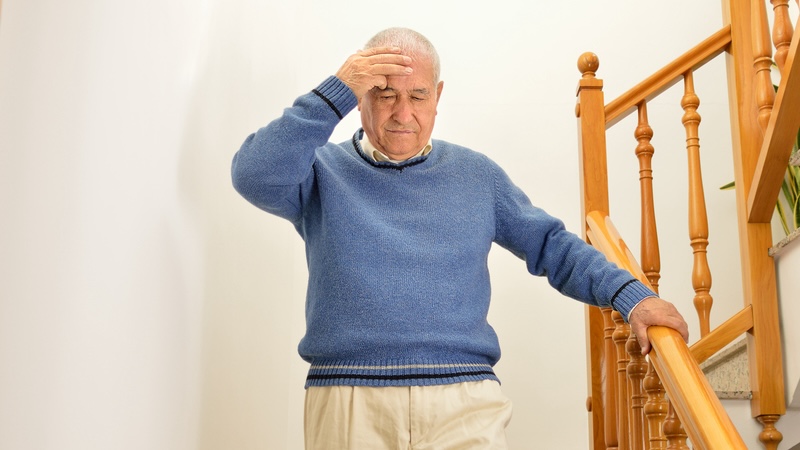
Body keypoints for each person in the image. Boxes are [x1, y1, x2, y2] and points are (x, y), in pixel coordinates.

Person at [231, 27, 689, 450]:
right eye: (385, 94)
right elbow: (253, 174)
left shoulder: (476, 176)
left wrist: (632, 297)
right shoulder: (318, 171)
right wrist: (334, 90)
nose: (403, 113)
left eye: (418, 95)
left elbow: (553, 247)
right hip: (349, 397)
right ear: (360, 96)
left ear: (438, 97)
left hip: (464, 399)